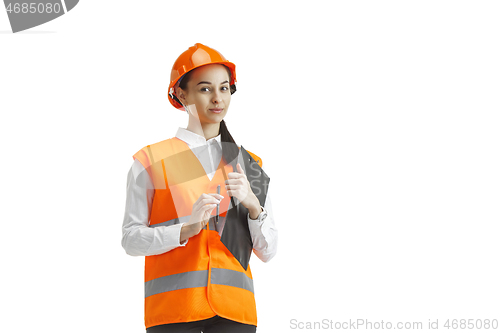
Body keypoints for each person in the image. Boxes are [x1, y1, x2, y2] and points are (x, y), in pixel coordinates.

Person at [121, 43, 278, 333]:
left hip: (236, 312)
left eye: (224, 88)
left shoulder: (249, 163)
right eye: (205, 89)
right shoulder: (151, 161)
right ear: (182, 94)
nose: (217, 99)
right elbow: (130, 239)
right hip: (174, 311)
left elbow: (268, 251)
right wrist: (184, 230)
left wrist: (254, 207)